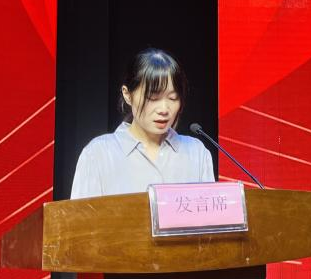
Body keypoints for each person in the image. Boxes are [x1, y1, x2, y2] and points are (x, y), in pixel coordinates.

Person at [70, 48, 214, 199]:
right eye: (153, 98)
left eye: (172, 98)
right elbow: (80, 214)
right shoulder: (98, 154)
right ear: (127, 95)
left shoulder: (196, 153)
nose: (164, 109)